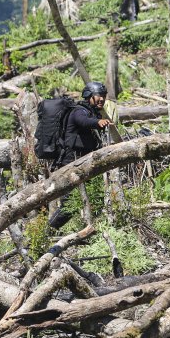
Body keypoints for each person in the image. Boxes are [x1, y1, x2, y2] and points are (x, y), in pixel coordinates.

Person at [49, 81, 113, 228]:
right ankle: (48, 232)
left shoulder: (92, 112)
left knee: (95, 197)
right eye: (98, 96)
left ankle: (92, 231)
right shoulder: (79, 111)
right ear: (89, 96)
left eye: (104, 96)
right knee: (69, 205)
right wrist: (98, 122)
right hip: (70, 163)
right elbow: (83, 122)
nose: (102, 99)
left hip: (85, 163)